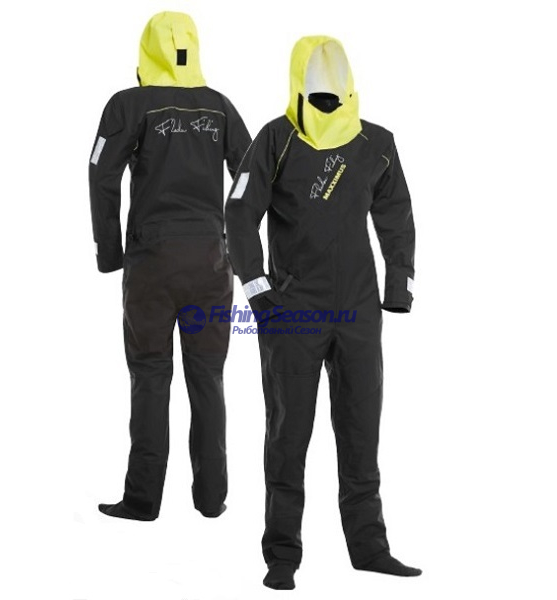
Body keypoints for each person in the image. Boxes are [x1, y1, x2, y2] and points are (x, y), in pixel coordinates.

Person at [225, 35, 421, 589]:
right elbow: (239, 211)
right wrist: (258, 290)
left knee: (361, 431)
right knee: (288, 436)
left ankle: (370, 548)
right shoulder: (275, 139)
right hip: (291, 311)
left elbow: (397, 215)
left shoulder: (377, 143)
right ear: (298, 88)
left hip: (359, 311)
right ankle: (282, 556)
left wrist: (399, 286)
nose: (326, 99)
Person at [89, 12, 251, 521]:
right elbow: (252, 175)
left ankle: (142, 500)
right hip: (210, 263)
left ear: (146, 52)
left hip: (152, 265)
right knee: (208, 376)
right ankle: (211, 498)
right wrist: (238, 248)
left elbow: (100, 174)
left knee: (150, 375)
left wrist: (109, 253)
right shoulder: (220, 107)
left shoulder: (128, 104)